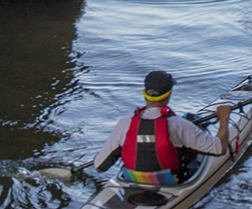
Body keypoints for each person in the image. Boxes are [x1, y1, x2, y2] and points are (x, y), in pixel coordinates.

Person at [93, 70, 232, 186]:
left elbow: (99, 166)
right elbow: (219, 149)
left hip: (131, 180)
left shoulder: (124, 123)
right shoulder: (179, 125)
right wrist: (224, 118)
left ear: (144, 92)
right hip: (171, 182)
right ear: (169, 94)